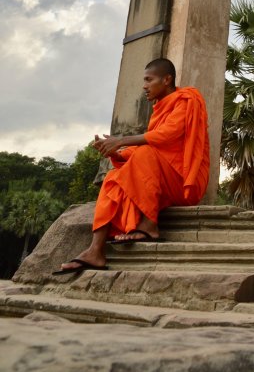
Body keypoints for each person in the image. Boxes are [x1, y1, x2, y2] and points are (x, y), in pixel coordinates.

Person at [54, 58, 209, 275]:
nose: (144, 86)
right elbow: (151, 149)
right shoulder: (159, 109)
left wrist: (122, 140)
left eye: (149, 79)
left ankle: (148, 225)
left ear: (167, 79)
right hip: (162, 177)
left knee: (145, 152)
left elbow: (165, 136)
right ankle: (96, 250)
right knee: (113, 178)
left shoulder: (186, 100)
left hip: (184, 183)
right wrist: (117, 153)